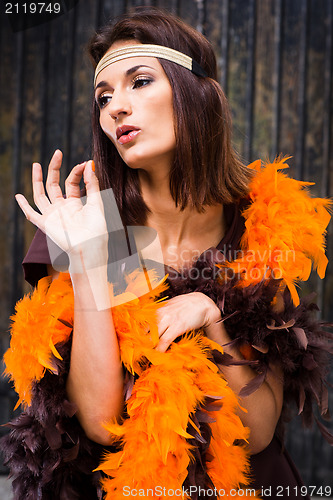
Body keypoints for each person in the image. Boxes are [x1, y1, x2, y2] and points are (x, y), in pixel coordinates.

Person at [2, 7, 332, 500]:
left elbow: (258, 432)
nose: (115, 107)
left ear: (194, 90)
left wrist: (211, 318)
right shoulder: (90, 225)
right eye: (104, 96)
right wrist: (91, 260)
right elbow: (100, 422)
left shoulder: (263, 227)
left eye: (139, 81)